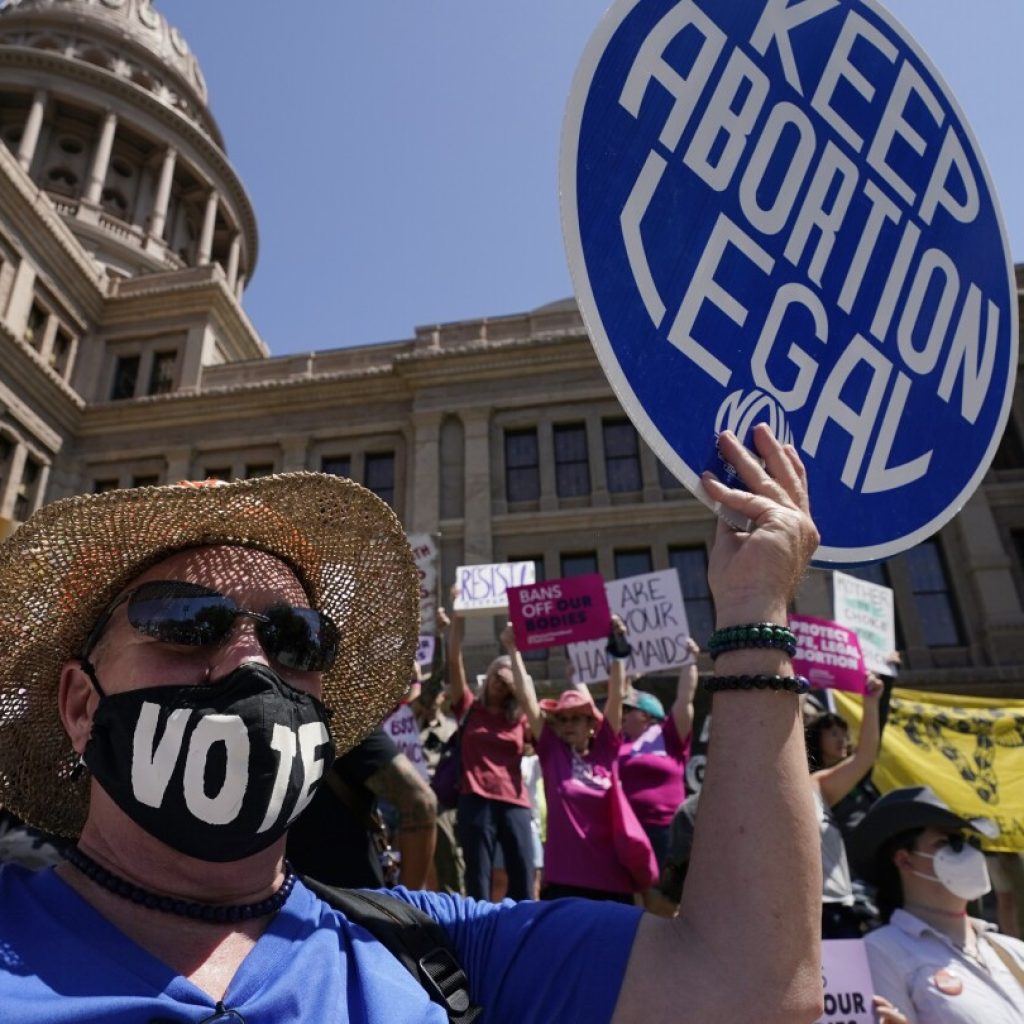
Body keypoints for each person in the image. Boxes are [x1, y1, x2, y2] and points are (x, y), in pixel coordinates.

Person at [0, 424, 824, 1023]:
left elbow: (749, 985)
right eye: (187, 619)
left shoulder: (433, 952)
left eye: (297, 638)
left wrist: (755, 615)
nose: (250, 665)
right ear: (81, 704)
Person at [849, 786, 1024, 1023]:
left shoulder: (1013, 951)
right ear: (904, 860)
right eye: (948, 842)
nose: (969, 853)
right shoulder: (879, 951)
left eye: (968, 841)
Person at [501, 644, 636, 903]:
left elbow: (616, 695)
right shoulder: (553, 754)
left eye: (576, 718)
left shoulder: (606, 751)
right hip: (566, 881)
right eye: (562, 719)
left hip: (613, 879)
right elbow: (527, 697)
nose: (568, 724)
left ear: (591, 726)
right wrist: (513, 649)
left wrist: (618, 652)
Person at [446, 599, 534, 902]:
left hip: (515, 802)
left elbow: (531, 704)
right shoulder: (468, 707)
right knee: (478, 875)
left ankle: (527, 930)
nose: (500, 681)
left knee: (523, 872)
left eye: (507, 678)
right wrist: (457, 620)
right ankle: (478, 931)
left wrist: (513, 654)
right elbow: (454, 662)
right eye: (497, 674)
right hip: (476, 799)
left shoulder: (520, 718)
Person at [287, 727, 437, 889]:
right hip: (295, 896)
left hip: (348, 899)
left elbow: (420, 802)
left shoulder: (341, 724)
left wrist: (408, 900)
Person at [605, 635, 698, 872]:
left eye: (629, 710)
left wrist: (690, 662)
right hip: (628, 828)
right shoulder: (620, 742)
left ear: (646, 714)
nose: (623, 715)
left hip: (667, 829)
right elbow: (615, 698)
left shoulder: (669, 734)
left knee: (666, 898)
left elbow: (685, 699)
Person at [808, 673, 885, 938]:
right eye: (833, 734)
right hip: (795, 917)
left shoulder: (818, 784)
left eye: (844, 734)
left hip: (840, 910)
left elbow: (865, 756)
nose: (842, 740)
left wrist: (871, 702)